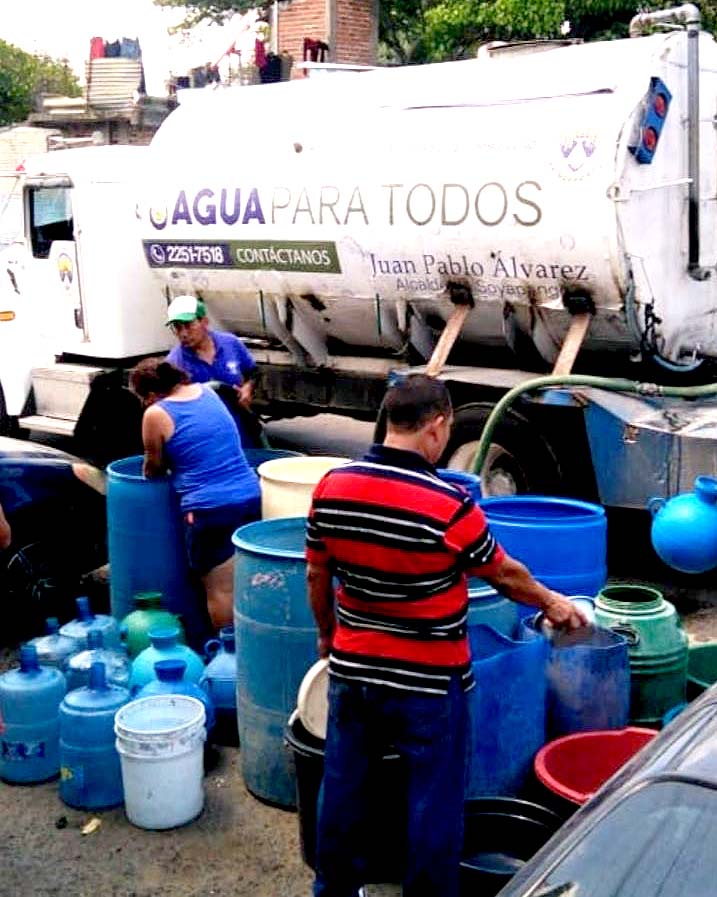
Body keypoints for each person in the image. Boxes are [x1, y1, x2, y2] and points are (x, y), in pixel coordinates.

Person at [306, 374, 587, 897]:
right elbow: (503, 574)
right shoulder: (447, 504)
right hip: (430, 683)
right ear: (437, 427)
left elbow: (316, 576)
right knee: (432, 803)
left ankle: (333, 890)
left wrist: (327, 636)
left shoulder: (332, 487)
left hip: (354, 671)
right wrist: (552, 601)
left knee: (344, 788)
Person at [130, 358, 261, 630]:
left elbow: (153, 468)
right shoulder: (207, 392)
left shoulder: (156, 414)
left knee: (220, 590)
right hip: (250, 495)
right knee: (248, 581)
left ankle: (227, 659)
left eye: (144, 398)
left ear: (152, 394)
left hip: (210, 510)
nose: (145, 404)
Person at [165, 295, 264, 448]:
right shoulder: (174, 363)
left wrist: (248, 389)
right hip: (205, 439)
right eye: (177, 327)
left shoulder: (231, 343)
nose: (183, 333)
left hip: (240, 430)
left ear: (204, 322)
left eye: (188, 325)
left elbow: (253, 372)